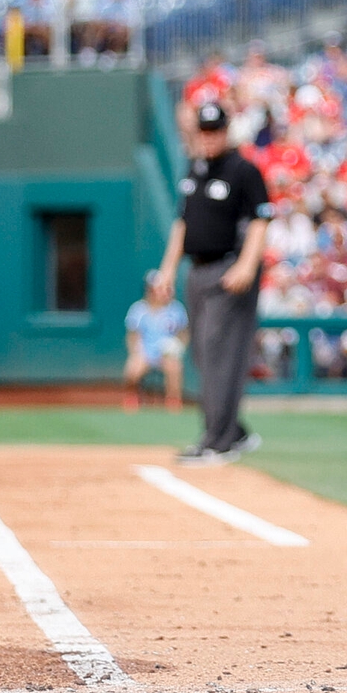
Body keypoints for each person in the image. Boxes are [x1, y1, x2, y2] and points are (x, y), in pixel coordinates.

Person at [152, 101, 271, 465]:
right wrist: (168, 269)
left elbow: (260, 219)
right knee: (205, 355)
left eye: (214, 130)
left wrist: (247, 265)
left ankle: (217, 439)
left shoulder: (243, 170)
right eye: (203, 131)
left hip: (228, 270)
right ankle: (231, 432)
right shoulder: (195, 169)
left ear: (225, 131)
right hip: (198, 271)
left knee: (220, 354)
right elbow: (182, 223)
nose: (208, 138)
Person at [123, 270, 188, 412]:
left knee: (174, 367)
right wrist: (136, 352)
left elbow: (183, 334)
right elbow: (132, 336)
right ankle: (132, 397)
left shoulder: (176, 309)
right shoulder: (138, 309)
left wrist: (177, 348)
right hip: (145, 352)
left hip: (166, 354)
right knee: (133, 369)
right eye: (156, 288)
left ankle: (173, 402)